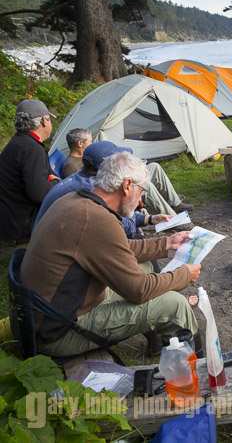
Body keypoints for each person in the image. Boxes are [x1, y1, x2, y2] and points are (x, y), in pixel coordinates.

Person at [21, 151, 202, 358]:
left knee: (145, 267)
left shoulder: (76, 201)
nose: (141, 202)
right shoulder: (97, 219)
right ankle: (194, 369)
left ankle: (160, 344)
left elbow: (117, 248)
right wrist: (182, 276)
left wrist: (166, 243)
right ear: (126, 186)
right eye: (141, 191)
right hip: (58, 331)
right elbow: (138, 290)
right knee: (175, 305)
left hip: (49, 313)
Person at [34, 141, 172, 240]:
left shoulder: (81, 178)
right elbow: (121, 226)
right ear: (108, 167)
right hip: (59, 255)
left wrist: (149, 219)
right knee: (136, 241)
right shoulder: (93, 191)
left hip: (50, 244)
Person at [0, 99, 61, 244]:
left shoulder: (19, 142)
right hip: (20, 230)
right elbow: (39, 193)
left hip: (9, 223)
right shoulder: (31, 149)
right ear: (44, 122)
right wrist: (56, 183)